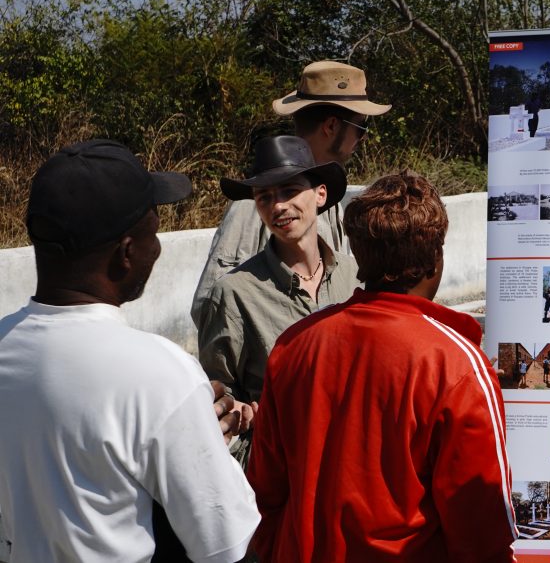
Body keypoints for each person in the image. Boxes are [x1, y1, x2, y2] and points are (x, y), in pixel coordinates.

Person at [0, 140, 259, 561]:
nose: (157, 248)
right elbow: (226, 545)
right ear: (126, 253)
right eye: (153, 234)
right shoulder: (161, 373)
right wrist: (200, 447)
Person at [246, 171, 517, 562]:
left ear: (359, 257)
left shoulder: (295, 345)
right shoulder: (456, 364)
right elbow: (482, 532)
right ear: (435, 259)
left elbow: (265, 492)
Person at [190, 60, 390, 328]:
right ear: (331, 126)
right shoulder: (254, 205)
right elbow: (210, 306)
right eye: (361, 129)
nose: (361, 140)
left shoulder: (329, 201)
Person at [198, 135, 352, 407]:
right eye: (264, 197)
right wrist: (239, 414)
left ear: (320, 194)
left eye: (289, 190)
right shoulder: (233, 295)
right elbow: (220, 395)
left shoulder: (355, 275)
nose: (278, 206)